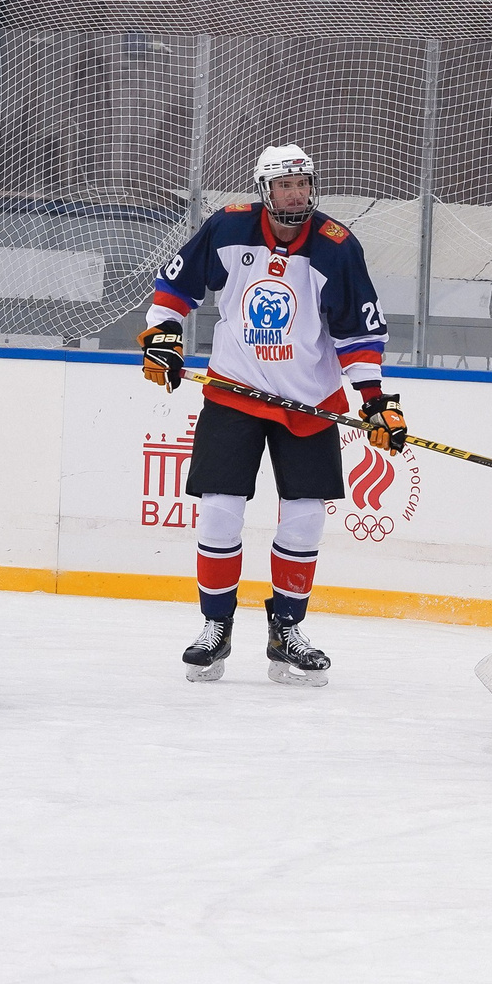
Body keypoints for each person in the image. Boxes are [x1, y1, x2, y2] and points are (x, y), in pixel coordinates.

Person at [138, 143, 404, 685]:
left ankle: (287, 629)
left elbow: (358, 332)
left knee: (305, 519)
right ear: (264, 190)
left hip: (309, 402)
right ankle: (216, 625)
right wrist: (163, 338)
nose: (296, 193)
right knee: (219, 510)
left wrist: (374, 403)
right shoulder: (228, 227)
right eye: (284, 185)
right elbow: (175, 288)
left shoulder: (336, 247)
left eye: (303, 183)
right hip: (235, 392)